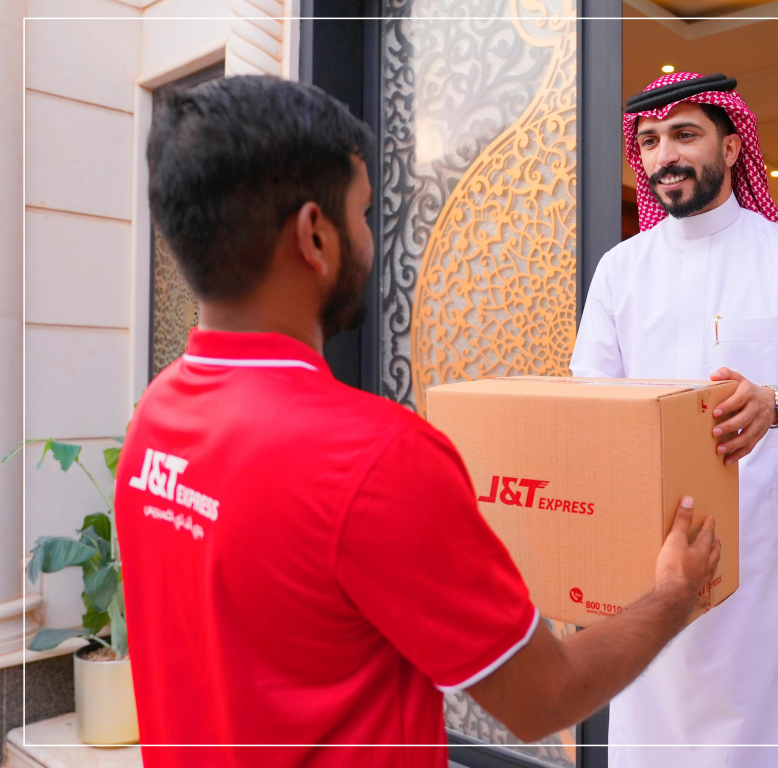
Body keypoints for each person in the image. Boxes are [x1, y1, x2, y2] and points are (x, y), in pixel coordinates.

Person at [116, 75, 722, 768]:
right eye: (363, 212)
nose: (371, 239)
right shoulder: (376, 458)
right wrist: (674, 593)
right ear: (315, 235)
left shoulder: (154, 418)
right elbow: (544, 697)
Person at [570, 72, 778, 768]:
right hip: (646, 546)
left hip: (755, 548)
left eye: (684, 134)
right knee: (649, 727)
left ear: (733, 147)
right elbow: (591, 397)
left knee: (751, 735)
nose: (664, 156)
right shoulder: (619, 270)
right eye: (650, 141)